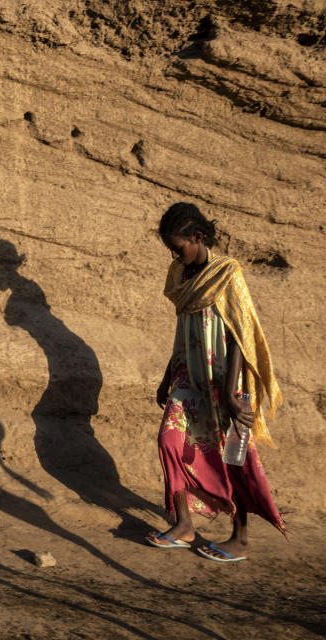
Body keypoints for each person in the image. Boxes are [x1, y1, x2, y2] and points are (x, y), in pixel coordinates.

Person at [146, 202, 287, 562]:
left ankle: (239, 538)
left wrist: (229, 392)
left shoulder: (227, 274)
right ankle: (184, 525)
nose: (175, 255)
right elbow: (183, 332)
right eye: (171, 250)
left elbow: (241, 335)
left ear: (197, 237)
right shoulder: (179, 276)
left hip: (224, 381)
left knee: (233, 458)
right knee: (169, 441)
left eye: (179, 247)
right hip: (187, 378)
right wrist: (167, 376)